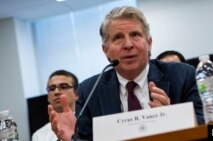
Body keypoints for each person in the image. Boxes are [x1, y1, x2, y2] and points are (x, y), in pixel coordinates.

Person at [48, 6, 204, 141]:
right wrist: (72, 139)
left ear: (149, 43)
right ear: (106, 50)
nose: (128, 45)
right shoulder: (89, 91)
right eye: (118, 38)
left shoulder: (183, 75)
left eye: (135, 35)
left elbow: (208, 128)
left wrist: (174, 119)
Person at [32, 70, 78, 141]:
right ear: (48, 97)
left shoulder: (89, 124)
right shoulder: (39, 135)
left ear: (76, 94)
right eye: (52, 88)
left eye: (63, 87)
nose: (56, 92)